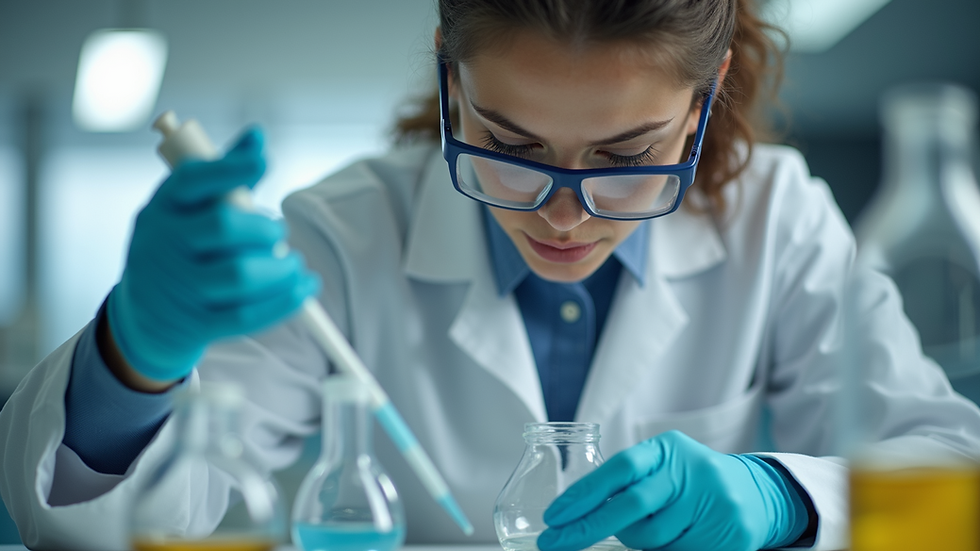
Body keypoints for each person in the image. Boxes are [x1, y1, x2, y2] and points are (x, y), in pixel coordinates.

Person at [2, 1, 980, 550]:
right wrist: (135, 360)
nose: (563, 213)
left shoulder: (780, 219)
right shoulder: (340, 236)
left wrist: (780, 496)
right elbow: (121, 524)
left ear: (703, 100)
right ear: (450, 78)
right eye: (510, 147)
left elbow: (949, 463)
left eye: (625, 156)